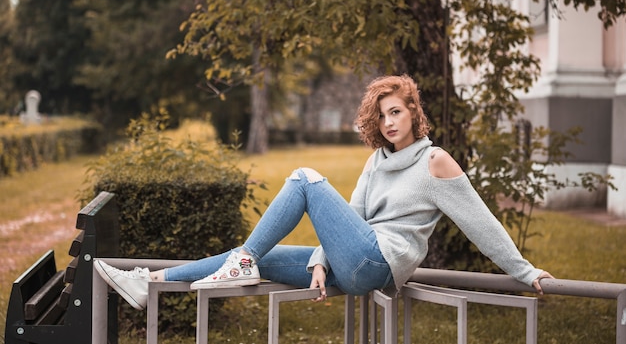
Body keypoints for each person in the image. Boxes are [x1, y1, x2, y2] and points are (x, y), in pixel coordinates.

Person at [94, 74, 553, 310]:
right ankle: (150, 283)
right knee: (262, 260)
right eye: (382, 116)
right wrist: (319, 260)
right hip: (354, 262)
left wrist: (525, 271)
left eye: (396, 111)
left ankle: (239, 261)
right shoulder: (379, 160)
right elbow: (349, 215)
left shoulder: (436, 161)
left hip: (379, 263)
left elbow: (480, 222)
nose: (389, 122)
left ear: (414, 111)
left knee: (304, 178)